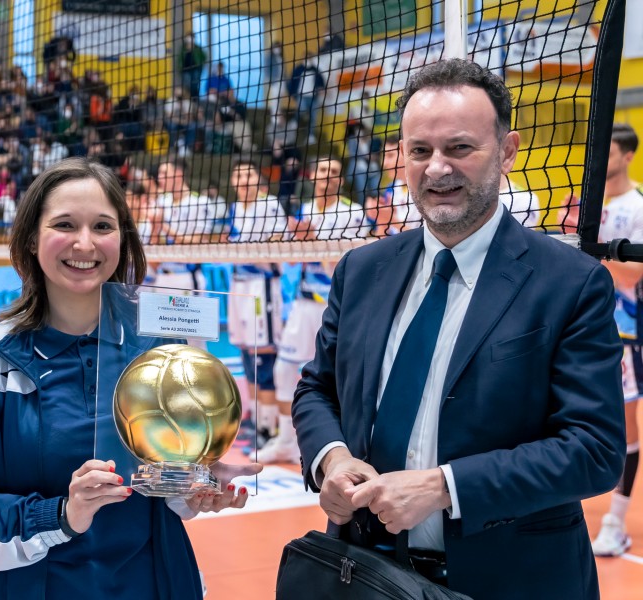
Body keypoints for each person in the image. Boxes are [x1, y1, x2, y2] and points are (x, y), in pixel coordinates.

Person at [292, 59, 625, 599]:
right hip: (365, 572)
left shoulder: (570, 282)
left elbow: (594, 449)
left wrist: (444, 487)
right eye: (420, 150)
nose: (437, 168)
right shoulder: (362, 270)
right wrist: (332, 458)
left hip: (511, 580)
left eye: (460, 147)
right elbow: (316, 388)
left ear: (508, 151)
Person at [0, 157, 261, 599]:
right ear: (32, 239)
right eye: (64, 224)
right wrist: (60, 515)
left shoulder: (163, 350)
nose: (84, 243)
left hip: (148, 585)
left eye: (102, 226)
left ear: (122, 238)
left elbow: (161, 489)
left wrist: (195, 480)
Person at [266, 157, 369, 463]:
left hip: (337, 306)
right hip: (303, 303)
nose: (328, 176)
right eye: (323, 170)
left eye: (334, 172)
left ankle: (339, 446)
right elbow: (288, 260)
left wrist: (314, 242)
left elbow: (351, 266)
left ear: (340, 180)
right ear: (312, 176)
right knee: (284, 370)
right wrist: (294, 243)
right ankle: (285, 441)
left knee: (338, 378)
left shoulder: (352, 213)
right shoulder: (304, 210)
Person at [589, 123, 643, 557]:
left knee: (625, 423)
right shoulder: (591, 204)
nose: (600, 158)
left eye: (609, 152)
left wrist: (592, 251)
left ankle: (614, 522)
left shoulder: (637, 205)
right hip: (588, 325)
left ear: (627, 156)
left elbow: (632, 274)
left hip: (627, 331)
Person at [225, 160, 288, 454]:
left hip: (261, 286)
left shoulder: (269, 205)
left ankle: (268, 427)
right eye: (238, 175)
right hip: (237, 285)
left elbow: (277, 244)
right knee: (245, 353)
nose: (243, 180)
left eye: (248, 174)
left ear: (258, 179)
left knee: (263, 357)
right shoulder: (234, 209)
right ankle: (253, 420)